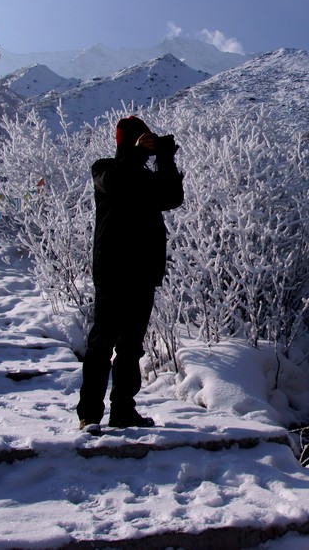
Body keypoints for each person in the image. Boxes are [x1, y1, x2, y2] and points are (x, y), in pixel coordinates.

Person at [77, 115, 184, 430]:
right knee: (101, 343)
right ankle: (89, 414)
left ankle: (123, 411)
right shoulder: (105, 169)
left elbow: (172, 197)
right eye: (141, 139)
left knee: (131, 346)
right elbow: (115, 184)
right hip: (112, 269)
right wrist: (136, 154)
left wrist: (165, 159)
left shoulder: (145, 177)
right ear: (126, 142)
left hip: (143, 271)